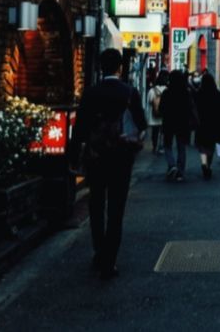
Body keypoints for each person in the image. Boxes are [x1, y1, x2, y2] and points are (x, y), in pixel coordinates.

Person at [73, 49, 146, 279]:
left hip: (96, 157)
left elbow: (80, 129)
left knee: (96, 203)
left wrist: (74, 155)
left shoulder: (91, 93)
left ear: (100, 67)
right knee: (116, 209)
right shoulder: (129, 92)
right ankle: (110, 259)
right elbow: (141, 124)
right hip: (121, 158)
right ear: (120, 68)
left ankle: (99, 249)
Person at [158, 69, 195, 181]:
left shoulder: (166, 93)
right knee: (181, 147)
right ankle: (180, 172)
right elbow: (190, 108)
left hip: (169, 122)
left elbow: (161, 109)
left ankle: (172, 165)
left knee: (167, 145)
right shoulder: (186, 93)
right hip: (182, 123)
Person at [193, 71, 220, 179]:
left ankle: (204, 164)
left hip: (201, 124)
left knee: (202, 146)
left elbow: (194, 108)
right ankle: (208, 164)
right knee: (211, 146)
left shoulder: (198, 94)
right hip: (214, 124)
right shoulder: (218, 94)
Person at [146, 70, 169, 154]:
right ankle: (162, 147)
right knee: (163, 132)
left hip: (154, 115)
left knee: (155, 132)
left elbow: (149, 101)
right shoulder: (168, 90)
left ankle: (154, 146)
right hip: (165, 115)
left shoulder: (152, 90)